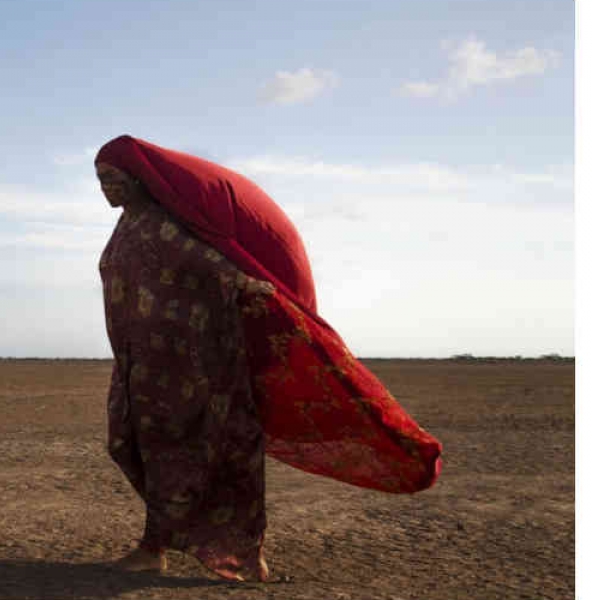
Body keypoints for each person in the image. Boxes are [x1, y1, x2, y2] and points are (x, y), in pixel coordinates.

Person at [94, 135, 442, 582]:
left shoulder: (162, 225)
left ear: (138, 178)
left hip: (189, 368)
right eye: (101, 181)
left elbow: (209, 265)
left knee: (206, 454)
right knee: (132, 446)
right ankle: (159, 543)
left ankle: (227, 551)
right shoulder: (127, 227)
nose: (105, 189)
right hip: (139, 367)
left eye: (112, 178)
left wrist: (250, 286)